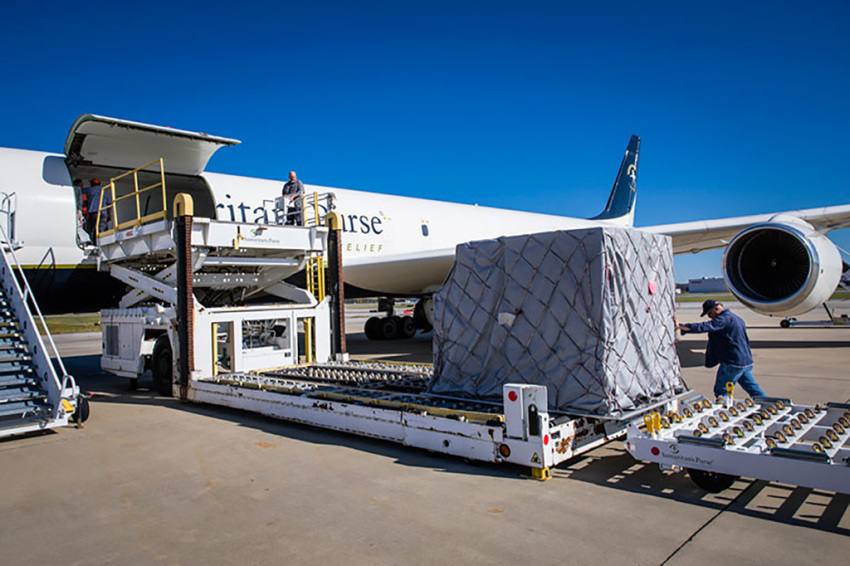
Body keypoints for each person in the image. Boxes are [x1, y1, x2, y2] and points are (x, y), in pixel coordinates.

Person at [675, 299, 766, 401]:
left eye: (710, 313)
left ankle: (725, 407)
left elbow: (705, 326)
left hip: (733, 362)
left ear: (716, 309)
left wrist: (682, 326)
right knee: (753, 388)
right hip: (745, 361)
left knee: (721, 391)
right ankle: (767, 403)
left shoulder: (723, 319)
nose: (709, 316)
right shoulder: (737, 318)